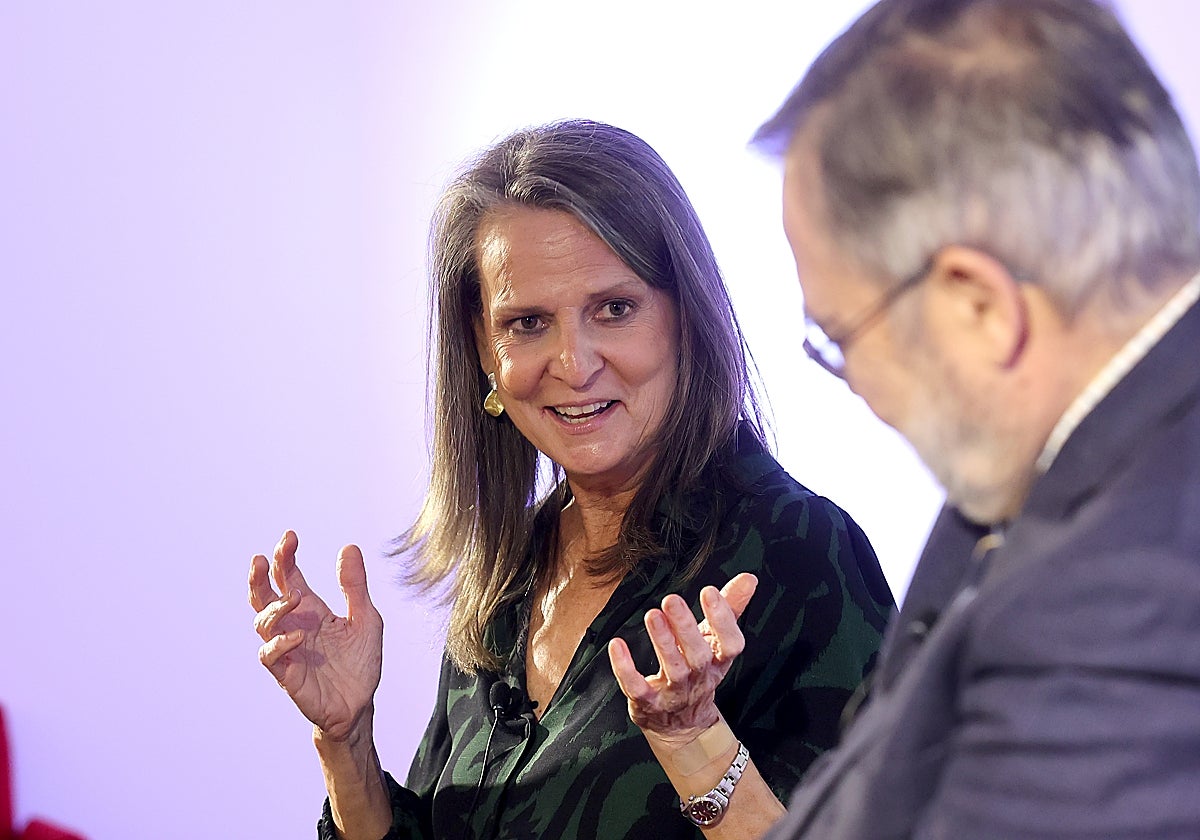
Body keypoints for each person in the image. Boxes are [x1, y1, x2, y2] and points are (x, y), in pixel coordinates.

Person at [248, 119, 893, 840]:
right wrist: (347, 740)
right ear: (483, 352)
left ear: (685, 318)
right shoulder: (507, 575)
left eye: (614, 309)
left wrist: (699, 747)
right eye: (526, 324)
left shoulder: (801, 555)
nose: (574, 363)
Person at [750, 1, 1200, 838]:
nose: (853, 385)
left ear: (977, 304)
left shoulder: (1117, 604)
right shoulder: (1065, 477)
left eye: (838, 337)